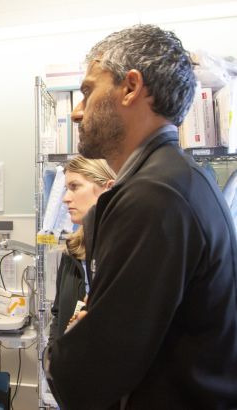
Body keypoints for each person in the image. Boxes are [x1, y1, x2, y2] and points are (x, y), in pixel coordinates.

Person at [44, 24, 237, 409]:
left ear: (130, 87)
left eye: (87, 92)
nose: (78, 112)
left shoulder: (155, 194)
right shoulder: (177, 179)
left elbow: (96, 365)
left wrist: (60, 356)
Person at [47, 156, 115, 346]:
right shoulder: (72, 250)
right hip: (70, 366)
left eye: (75, 187)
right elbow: (58, 314)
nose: (65, 198)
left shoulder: (126, 251)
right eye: (66, 189)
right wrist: (51, 357)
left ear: (107, 189)